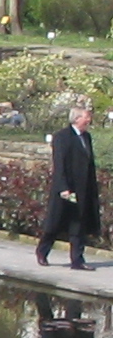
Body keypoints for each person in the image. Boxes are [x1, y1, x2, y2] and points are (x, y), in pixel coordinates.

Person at [37, 104, 98, 270]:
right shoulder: (62, 137)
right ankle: (42, 251)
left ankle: (77, 260)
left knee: (78, 222)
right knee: (57, 221)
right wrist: (63, 188)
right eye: (86, 117)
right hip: (66, 190)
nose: (89, 120)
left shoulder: (86, 137)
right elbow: (60, 165)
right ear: (77, 118)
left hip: (82, 189)